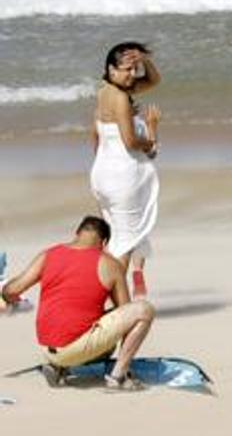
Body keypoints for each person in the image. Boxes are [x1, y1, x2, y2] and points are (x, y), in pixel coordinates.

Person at [1, 216, 156, 391]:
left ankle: (58, 365)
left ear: (77, 233)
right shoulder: (110, 264)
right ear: (104, 242)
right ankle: (118, 375)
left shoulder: (48, 255)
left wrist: (5, 295)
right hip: (77, 349)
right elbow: (126, 311)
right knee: (144, 310)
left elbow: (12, 290)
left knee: (78, 318)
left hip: (47, 348)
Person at [91, 42, 162, 298]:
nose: (132, 74)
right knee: (125, 243)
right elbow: (131, 141)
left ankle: (104, 297)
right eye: (127, 69)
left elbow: (94, 137)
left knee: (115, 239)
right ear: (111, 70)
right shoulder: (121, 98)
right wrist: (152, 136)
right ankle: (113, 302)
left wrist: (144, 60)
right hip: (122, 179)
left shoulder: (104, 92)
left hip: (102, 176)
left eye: (135, 68)